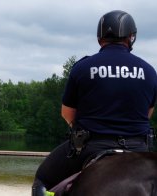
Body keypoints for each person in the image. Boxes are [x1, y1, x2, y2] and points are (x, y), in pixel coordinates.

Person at [32, 10, 157, 195]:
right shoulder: (149, 71)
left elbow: (67, 113)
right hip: (139, 146)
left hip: (91, 146)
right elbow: (148, 114)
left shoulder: (83, 67)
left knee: (42, 178)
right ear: (131, 37)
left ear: (100, 38)